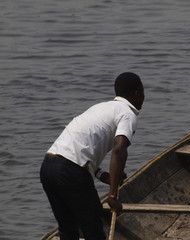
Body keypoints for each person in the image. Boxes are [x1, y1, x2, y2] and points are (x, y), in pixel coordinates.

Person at [40, 72, 145, 240]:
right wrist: (112, 196)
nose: (143, 98)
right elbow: (119, 150)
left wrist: (102, 175)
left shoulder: (100, 107)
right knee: (93, 230)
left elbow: (79, 149)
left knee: (68, 229)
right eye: (143, 93)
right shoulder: (127, 113)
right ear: (137, 94)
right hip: (71, 171)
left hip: (48, 166)